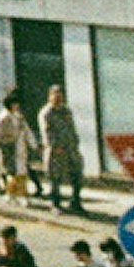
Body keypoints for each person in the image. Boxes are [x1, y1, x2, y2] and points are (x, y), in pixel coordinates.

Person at [39, 82, 84, 211]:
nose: (58, 98)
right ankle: (55, 203)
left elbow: (72, 127)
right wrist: (54, 146)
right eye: (55, 95)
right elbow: (46, 132)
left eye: (60, 95)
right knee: (55, 177)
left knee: (77, 173)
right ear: (50, 96)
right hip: (55, 150)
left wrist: (75, 142)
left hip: (70, 148)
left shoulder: (66, 110)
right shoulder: (46, 113)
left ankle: (75, 201)